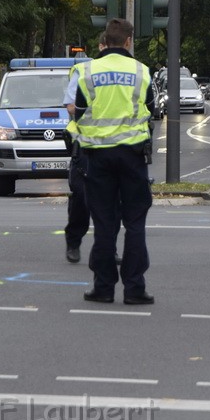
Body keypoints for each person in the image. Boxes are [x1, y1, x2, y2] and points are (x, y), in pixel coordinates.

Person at [72, 18, 155, 305]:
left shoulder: (88, 71)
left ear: (106, 40)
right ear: (129, 41)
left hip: (98, 158)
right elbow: (152, 110)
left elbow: (79, 111)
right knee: (135, 223)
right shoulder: (141, 72)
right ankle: (134, 289)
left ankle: (104, 287)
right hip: (133, 157)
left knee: (105, 224)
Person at [63, 33, 120, 266]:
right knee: (82, 197)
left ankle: (109, 248)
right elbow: (69, 106)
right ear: (100, 47)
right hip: (85, 144)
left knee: (111, 200)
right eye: (107, 45)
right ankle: (74, 241)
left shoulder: (125, 73)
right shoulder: (84, 71)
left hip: (113, 144)